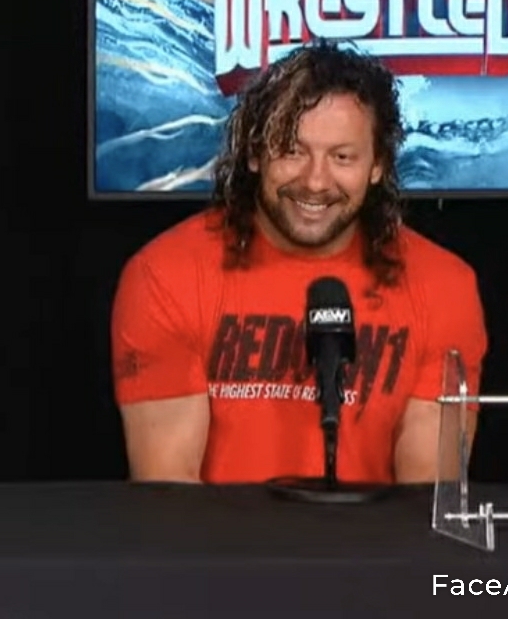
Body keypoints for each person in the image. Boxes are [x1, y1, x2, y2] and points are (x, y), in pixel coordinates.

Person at [110, 40, 488, 485]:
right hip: (217, 534)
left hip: (375, 533)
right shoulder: (165, 275)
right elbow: (168, 496)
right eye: (291, 150)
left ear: (377, 166)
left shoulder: (443, 287)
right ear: (254, 154)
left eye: (342, 157)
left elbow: (428, 500)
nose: (315, 181)